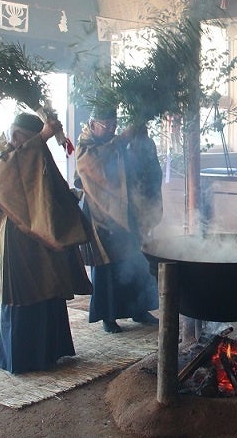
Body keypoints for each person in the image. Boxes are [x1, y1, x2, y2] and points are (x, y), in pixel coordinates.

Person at [0, 113, 93, 373]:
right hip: (19, 239)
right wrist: (41, 138)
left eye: (20, 136)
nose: (13, 141)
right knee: (23, 293)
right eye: (12, 134)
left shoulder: (39, 156)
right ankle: (21, 359)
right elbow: (5, 180)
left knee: (48, 289)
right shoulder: (8, 161)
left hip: (45, 239)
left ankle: (49, 353)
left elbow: (52, 192)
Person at [74, 107, 161, 334]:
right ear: (93, 124)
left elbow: (134, 168)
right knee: (107, 268)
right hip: (102, 215)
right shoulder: (86, 147)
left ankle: (140, 309)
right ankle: (108, 316)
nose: (112, 129)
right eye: (106, 124)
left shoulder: (116, 143)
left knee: (137, 261)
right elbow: (96, 165)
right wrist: (123, 139)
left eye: (114, 124)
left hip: (127, 212)